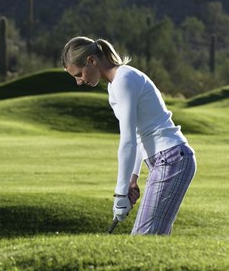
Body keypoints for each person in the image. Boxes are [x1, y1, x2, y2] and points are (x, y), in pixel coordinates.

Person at [61, 36, 196, 235]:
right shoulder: (115, 84)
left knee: (144, 237)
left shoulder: (123, 80)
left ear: (91, 61)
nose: (79, 81)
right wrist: (132, 179)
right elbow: (138, 135)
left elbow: (128, 141)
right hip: (167, 159)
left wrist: (120, 193)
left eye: (79, 74)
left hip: (172, 159)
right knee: (152, 237)